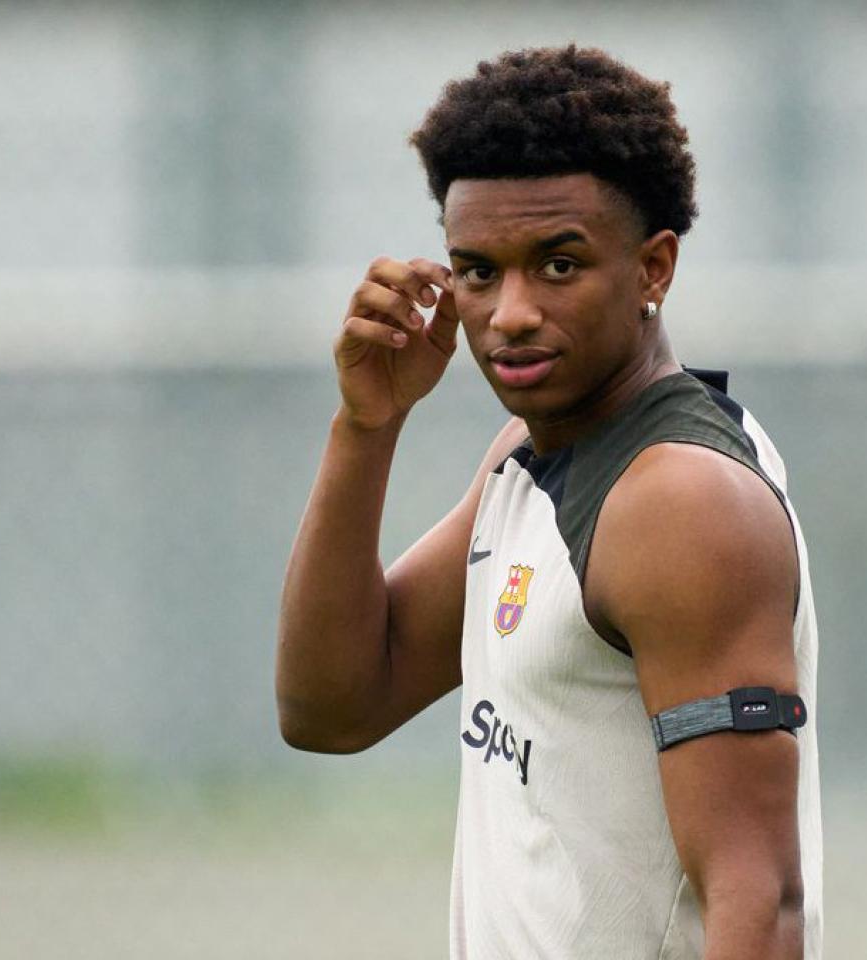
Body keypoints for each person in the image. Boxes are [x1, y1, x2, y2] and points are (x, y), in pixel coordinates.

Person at [275, 44, 822, 959]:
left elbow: (758, 904)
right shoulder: (530, 460)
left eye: (558, 266)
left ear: (653, 269)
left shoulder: (680, 504)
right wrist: (366, 428)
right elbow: (332, 707)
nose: (511, 312)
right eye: (478, 271)